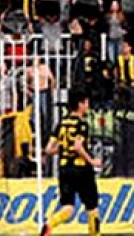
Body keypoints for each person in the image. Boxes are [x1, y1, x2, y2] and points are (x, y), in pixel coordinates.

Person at [40, 91, 102, 236]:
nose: (88, 106)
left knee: (68, 207)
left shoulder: (61, 123)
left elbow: (49, 149)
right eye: (86, 103)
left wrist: (63, 150)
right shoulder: (82, 124)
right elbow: (77, 146)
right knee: (92, 207)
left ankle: (50, 224)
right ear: (80, 104)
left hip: (64, 168)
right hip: (81, 169)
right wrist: (92, 161)